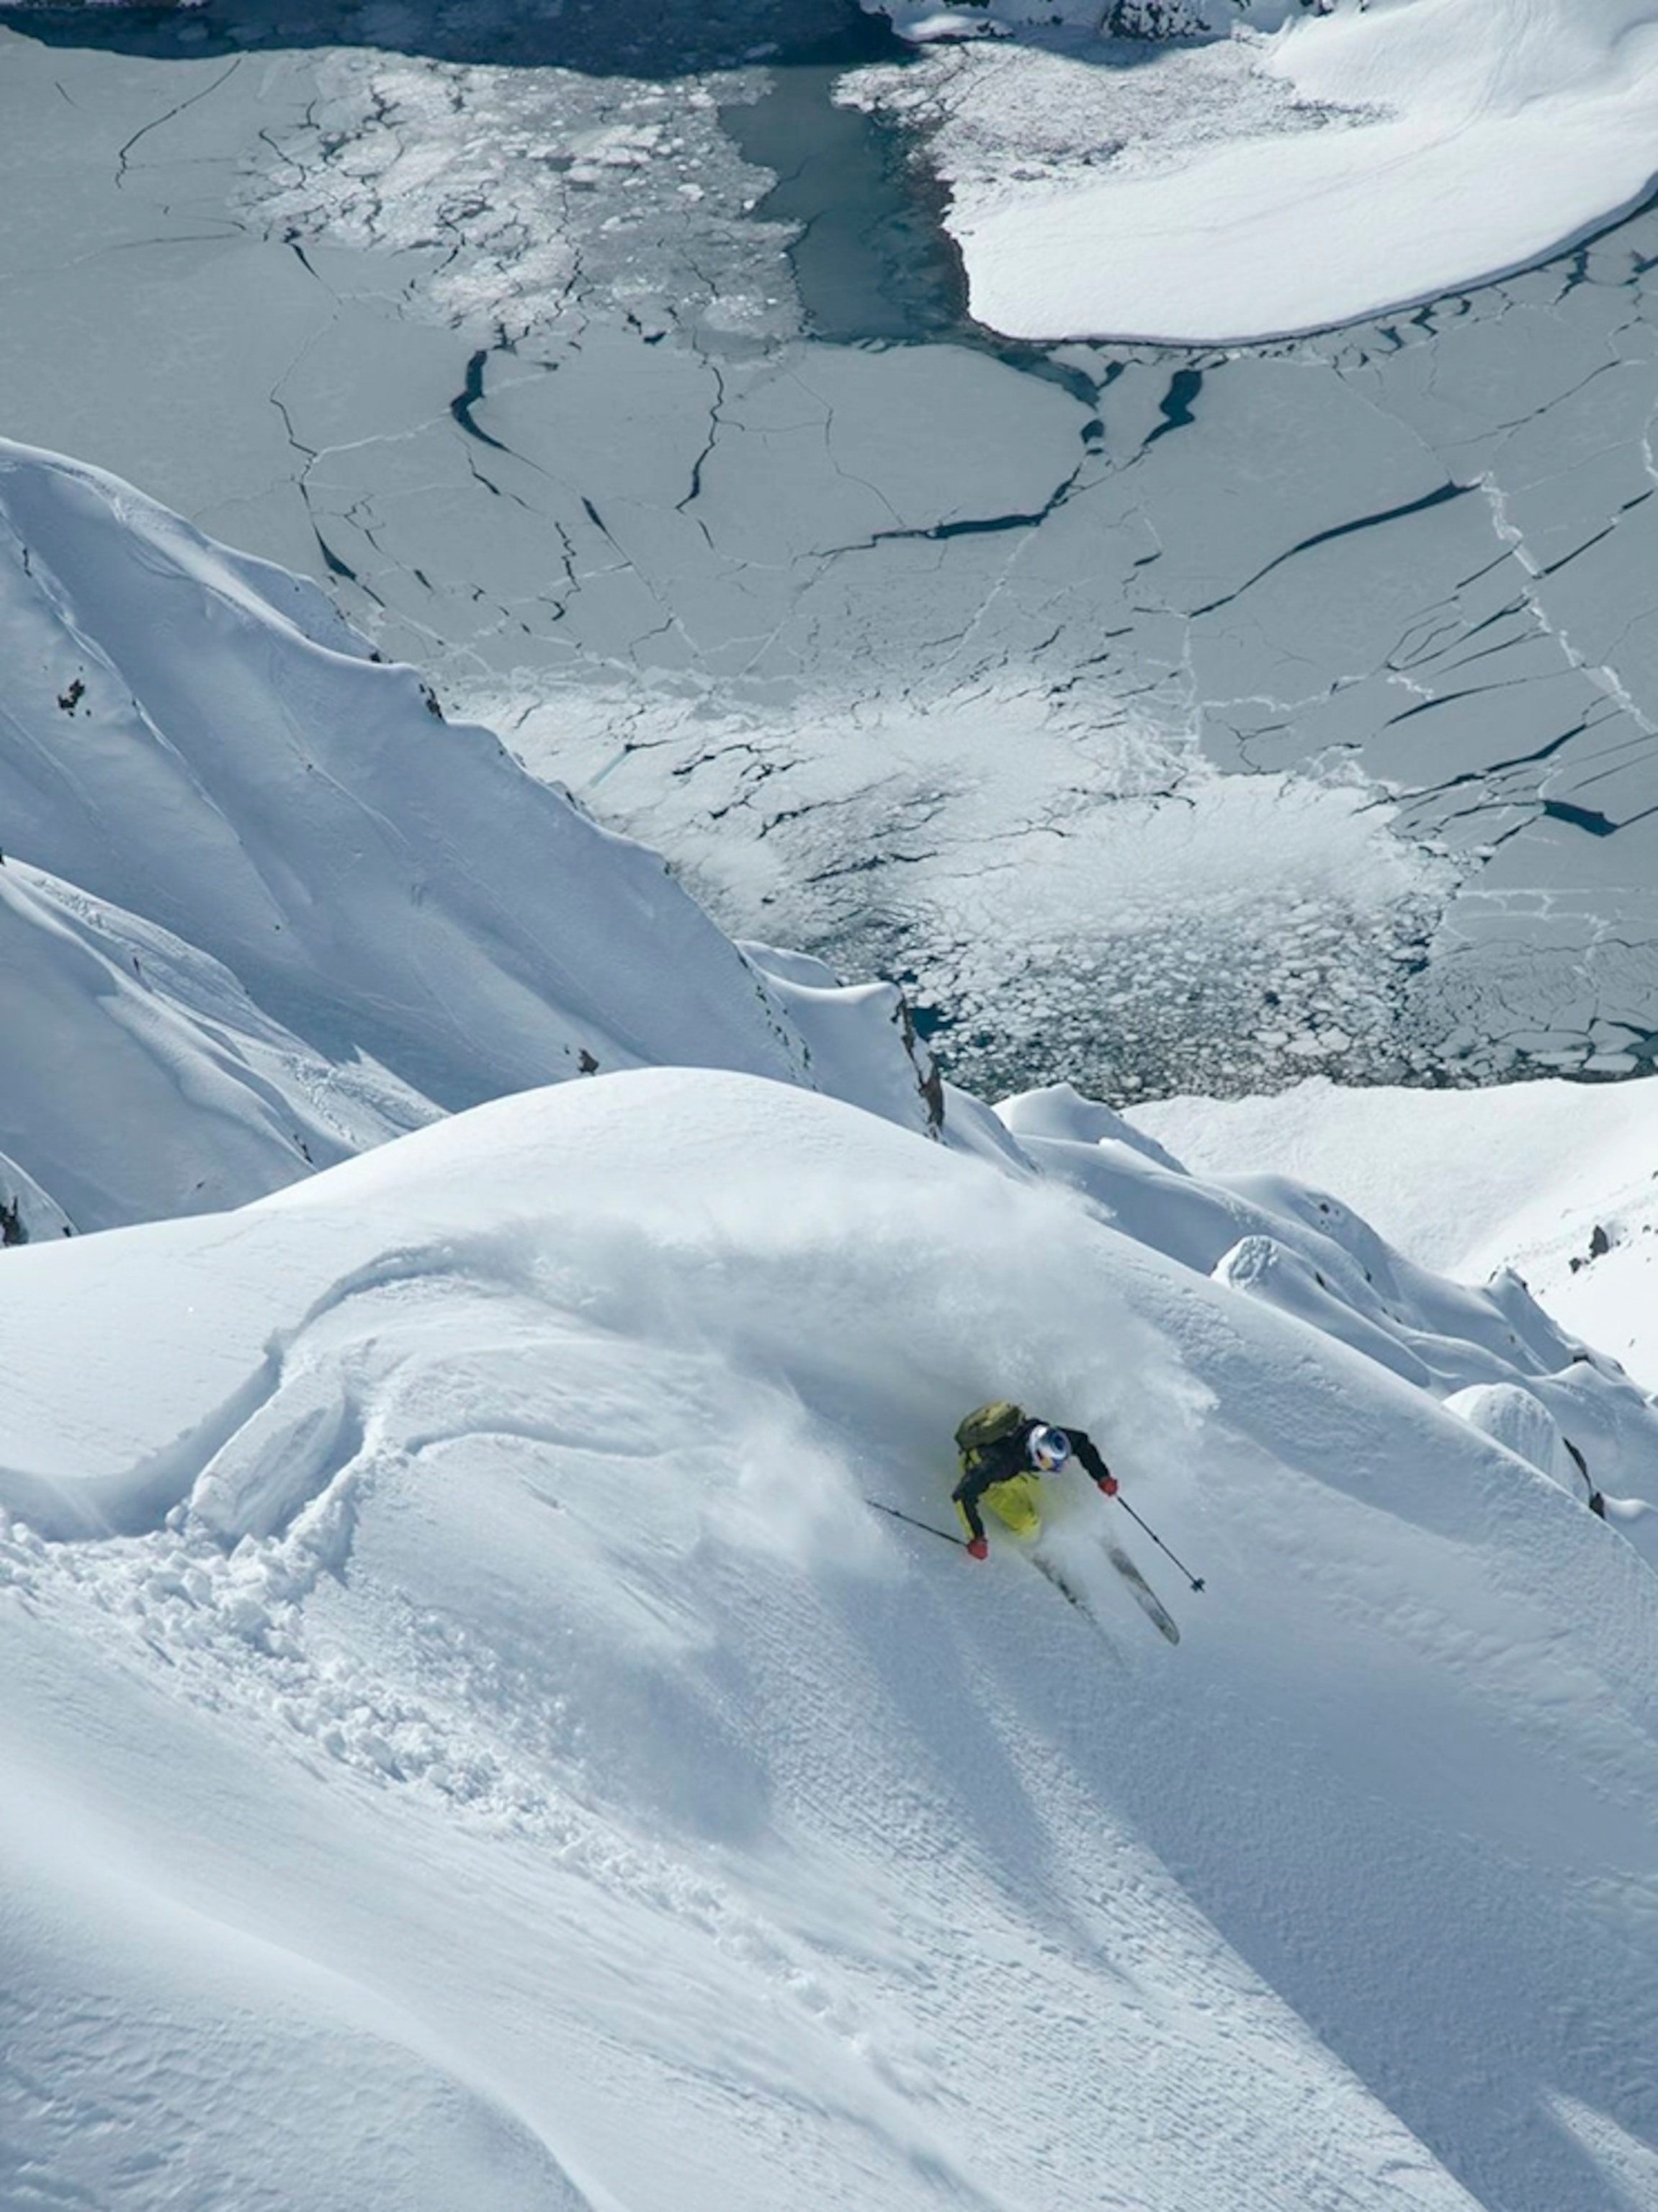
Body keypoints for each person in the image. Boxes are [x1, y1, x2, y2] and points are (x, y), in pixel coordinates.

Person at [951, 1401, 1117, 1559]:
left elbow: (1081, 1443)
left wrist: (1102, 1476)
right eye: (1048, 1463)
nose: (1050, 1467)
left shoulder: (1048, 1436)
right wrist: (977, 1538)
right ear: (1035, 1454)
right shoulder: (999, 1464)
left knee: (1047, 1503)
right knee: (1028, 1525)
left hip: (1019, 1471)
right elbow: (963, 1494)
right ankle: (1025, 1547)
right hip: (992, 1482)